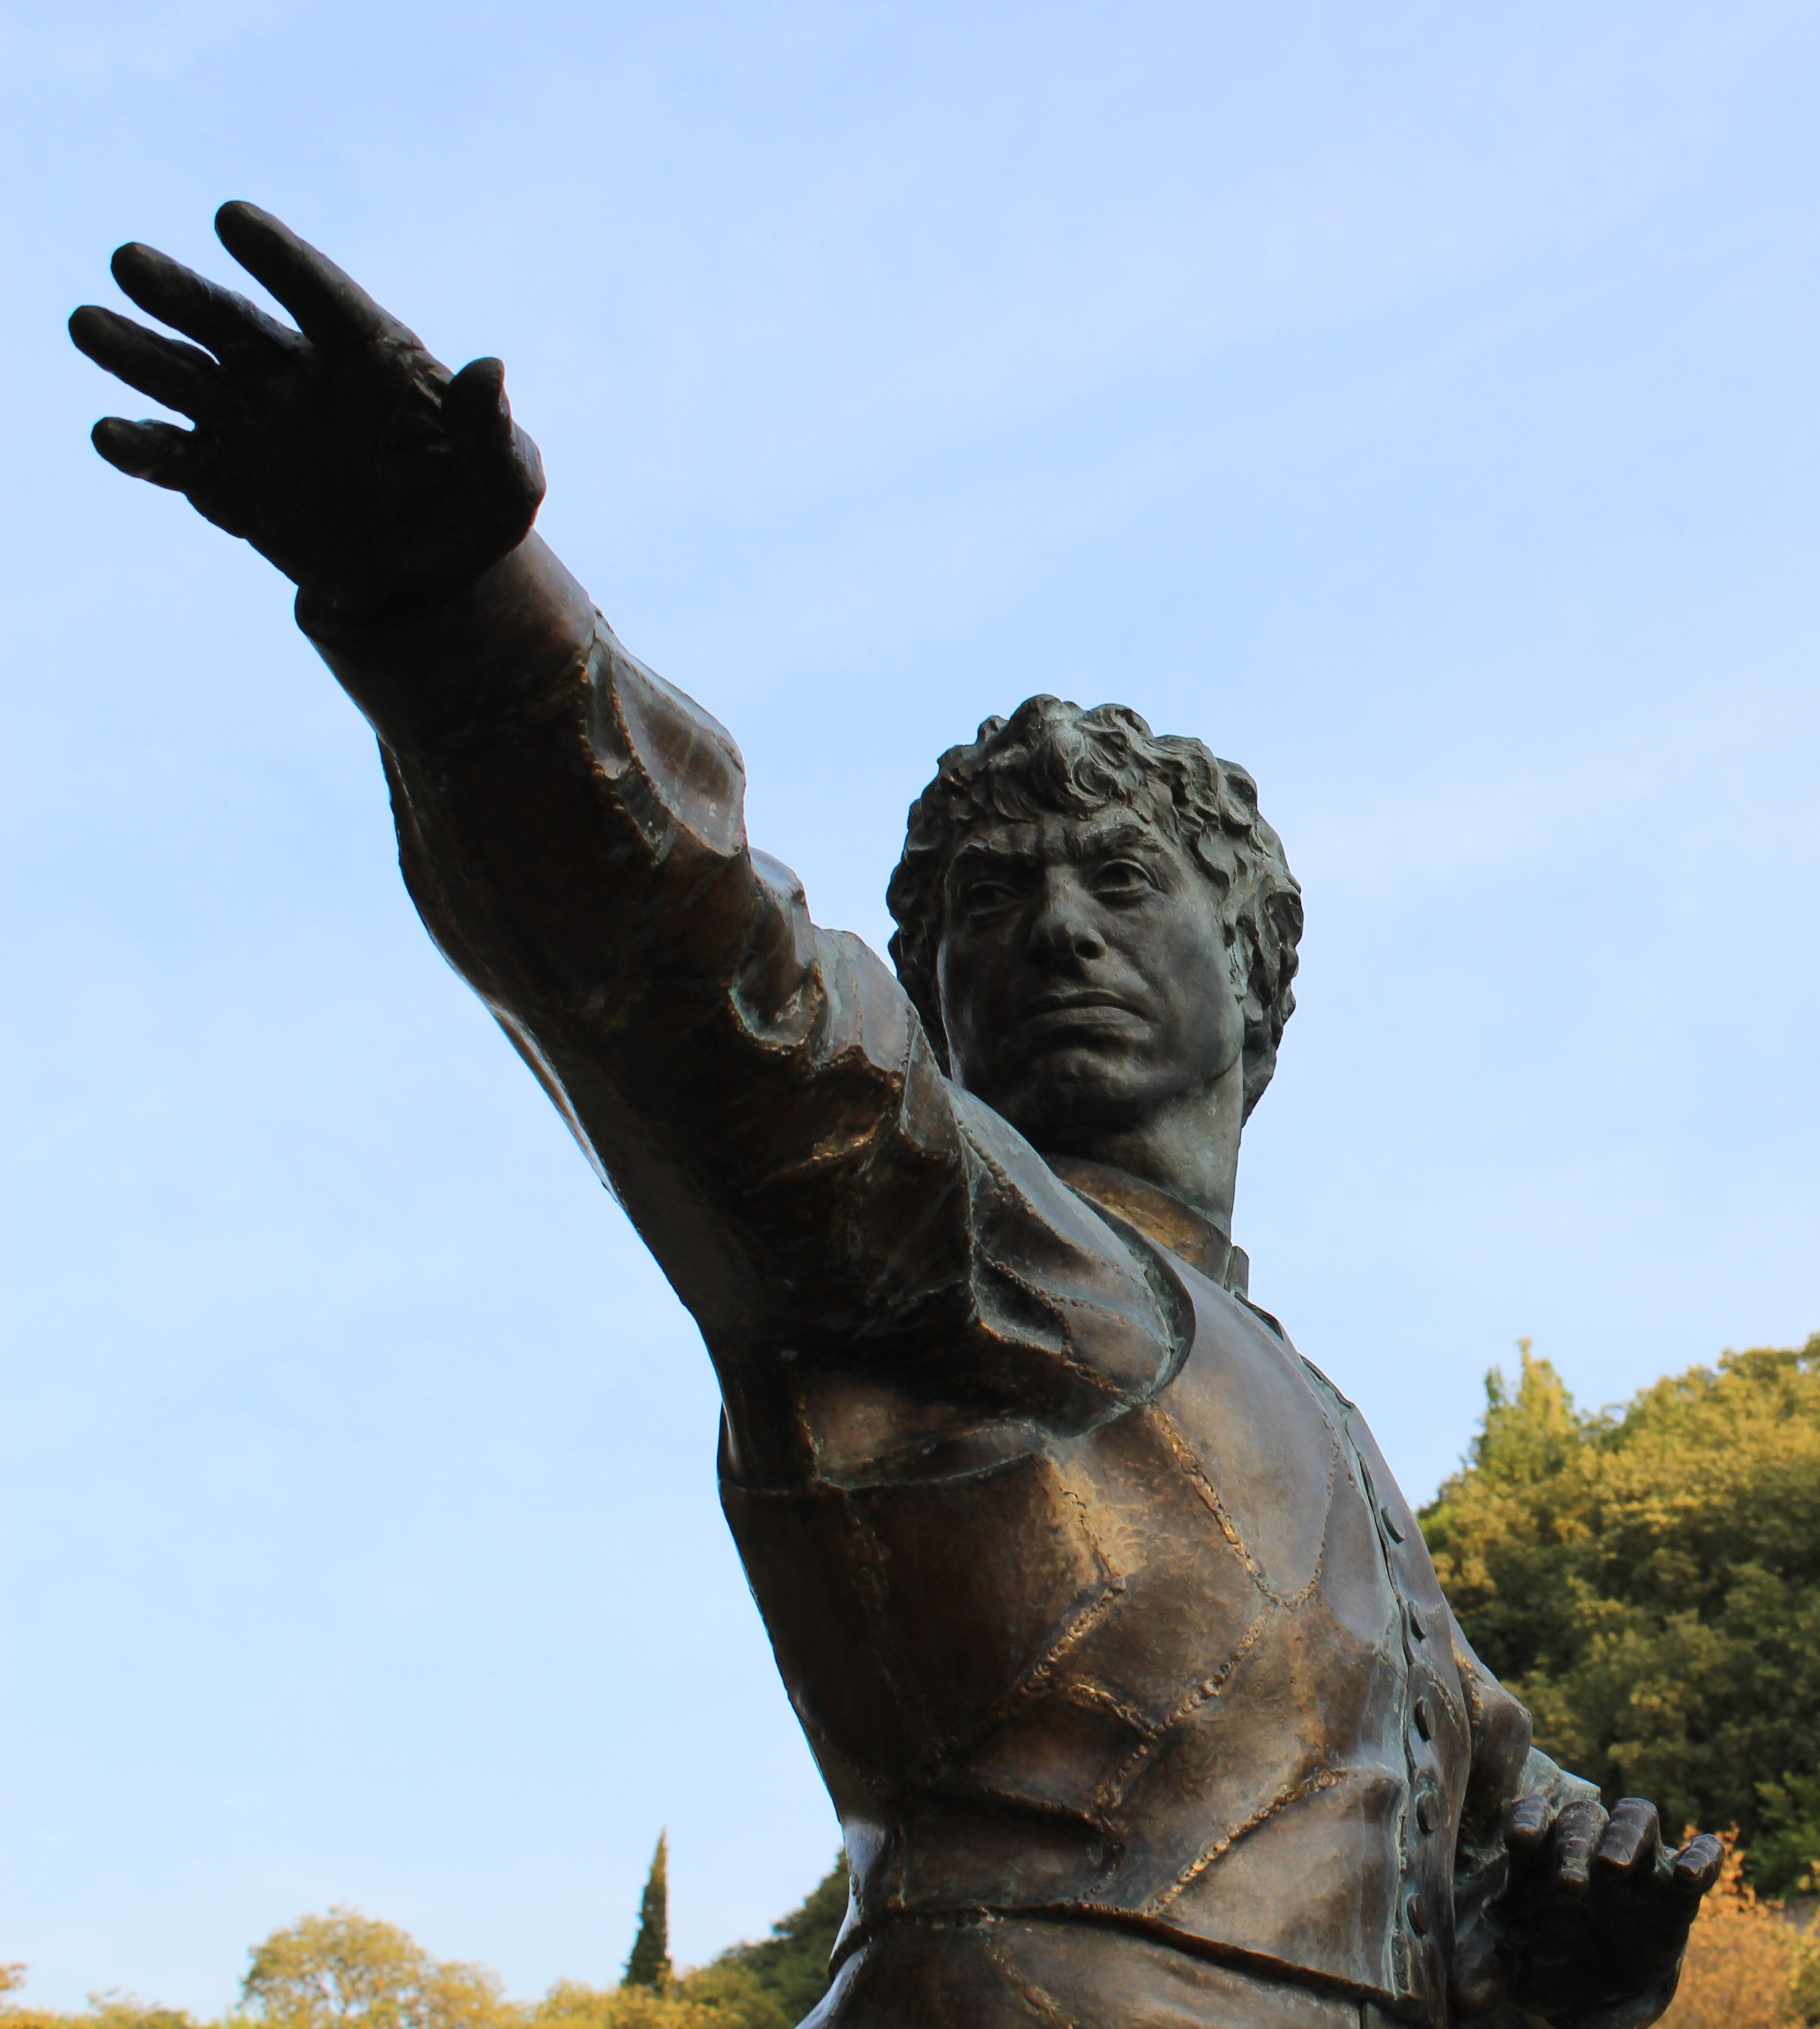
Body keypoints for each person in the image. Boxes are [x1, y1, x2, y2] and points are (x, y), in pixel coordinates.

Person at [70, 203, 1718, 2029]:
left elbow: (1462, 1895)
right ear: (934, 996)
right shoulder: (941, 1237)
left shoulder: (1325, 1442)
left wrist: (1570, 1974)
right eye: (994, 906)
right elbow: (702, 983)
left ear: (1258, 978)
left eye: (1118, 877)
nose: (1062, 929)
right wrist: (466, 622)